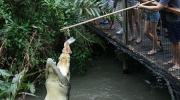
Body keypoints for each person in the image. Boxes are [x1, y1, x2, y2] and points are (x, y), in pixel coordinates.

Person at [138, 0, 180, 70]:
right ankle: (174, 60)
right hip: (171, 19)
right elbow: (163, 4)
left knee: (176, 42)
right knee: (173, 42)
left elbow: (158, 8)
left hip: (175, 20)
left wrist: (142, 6)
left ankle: (178, 63)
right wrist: (158, 3)